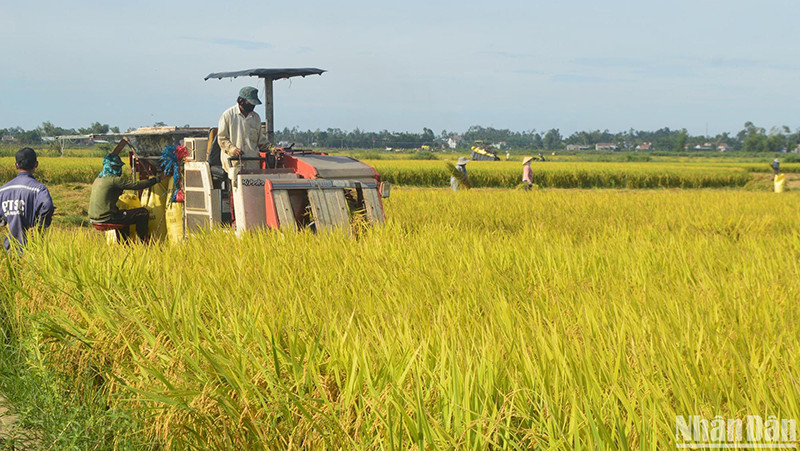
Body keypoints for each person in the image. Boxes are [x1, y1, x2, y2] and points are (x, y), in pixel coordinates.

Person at [88, 153, 164, 242]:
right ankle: (144, 243)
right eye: (117, 167)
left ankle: (124, 244)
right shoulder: (114, 180)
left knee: (124, 217)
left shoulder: (98, 179)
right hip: (107, 218)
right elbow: (136, 185)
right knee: (142, 212)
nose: (118, 169)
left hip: (94, 220)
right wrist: (156, 179)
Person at [0, 148, 55, 252]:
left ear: (16, 165)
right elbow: (48, 206)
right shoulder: (39, 189)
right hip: (32, 249)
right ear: (36, 165)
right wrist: (39, 226)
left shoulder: (3, 190)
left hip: (10, 248)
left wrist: (4, 223)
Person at [217, 86, 272, 172]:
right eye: (250, 103)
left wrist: (271, 149)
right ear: (241, 101)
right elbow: (222, 139)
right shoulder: (228, 115)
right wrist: (233, 149)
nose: (253, 106)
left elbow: (260, 141)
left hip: (252, 163)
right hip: (234, 163)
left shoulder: (256, 118)